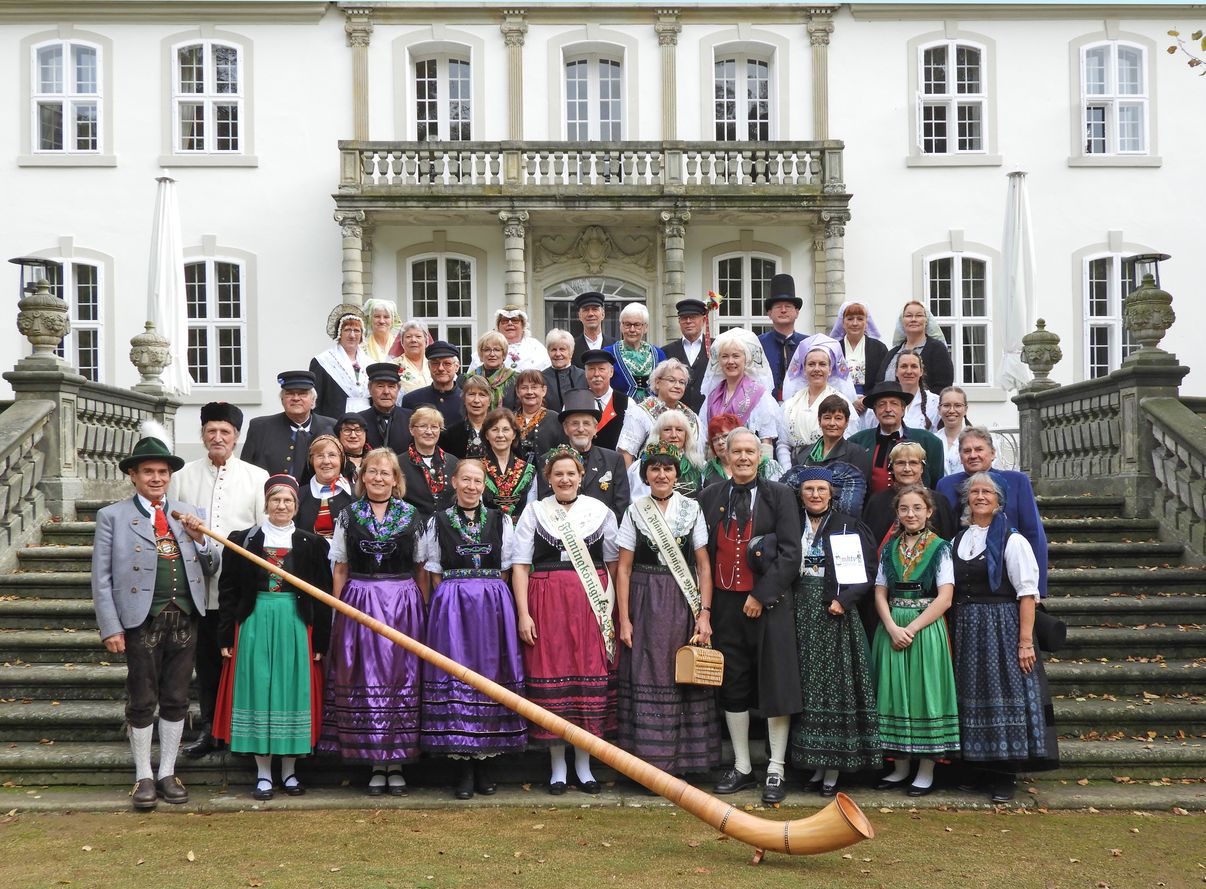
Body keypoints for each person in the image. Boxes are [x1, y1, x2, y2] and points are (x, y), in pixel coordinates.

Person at [91, 428, 219, 810]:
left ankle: (167, 772)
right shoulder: (112, 516)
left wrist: (200, 540)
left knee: (177, 697)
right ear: (133, 475)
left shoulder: (188, 512)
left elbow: (213, 565)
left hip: (185, 618)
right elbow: (101, 578)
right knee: (143, 698)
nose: (157, 478)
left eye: (163, 472)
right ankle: (143, 775)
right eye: (148, 472)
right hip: (140, 620)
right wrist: (110, 627)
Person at [699, 428, 802, 804]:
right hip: (725, 604)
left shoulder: (781, 495)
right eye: (736, 451)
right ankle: (742, 766)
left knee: (775, 681)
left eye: (750, 451)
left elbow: (791, 553)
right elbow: (702, 554)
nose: (743, 457)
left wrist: (761, 594)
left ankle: (776, 768)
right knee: (733, 682)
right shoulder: (710, 495)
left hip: (769, 603)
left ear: (760, 456)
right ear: (725, 455)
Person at [213, 475, 332, 801]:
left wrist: (321, 640)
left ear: (296, 505)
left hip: (295, 623)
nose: (282, 506)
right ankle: (263, 773)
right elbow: (228, 591)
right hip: (255, 621)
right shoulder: (243, 540)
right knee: (258, 691)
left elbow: (323, 594)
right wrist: (226, 633)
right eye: (276, 500)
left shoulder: (312, 543)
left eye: (288, 500)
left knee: (291, 692)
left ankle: (289, 772)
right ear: (266, 504)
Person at [512, 447, 621, 794]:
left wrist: (613, 611)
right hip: (546, 603)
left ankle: (584, 765)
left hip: (590, 603)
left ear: (581, 477)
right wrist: (523, 613)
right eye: (558, 474)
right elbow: (520, 566)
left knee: (587, 674)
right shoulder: (535, 512)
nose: (565, 479)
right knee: (553, 672)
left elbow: (614, 564)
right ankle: (558, 765)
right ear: (548, 479)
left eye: (571, 473)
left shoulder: (600, 512)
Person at [319, 448, 427, 796]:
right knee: (366, 676)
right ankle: (374, 763)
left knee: (400, 678)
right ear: (362, 477)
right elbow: (340, 568)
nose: (378, 478)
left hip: (402, 603)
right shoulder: (348, 515)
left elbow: (421, 568)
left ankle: (396, 762)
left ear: (396, 480)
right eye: (372, 471)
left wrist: (422, 608)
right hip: (360, 602)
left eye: (386, 472)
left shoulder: (411, 515)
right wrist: (339, 610)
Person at [418, 459, 527, 799]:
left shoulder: (500, 519)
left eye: (477, 481)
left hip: (492, 605)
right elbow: (433, 570)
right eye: (465, 479)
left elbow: (507, 567)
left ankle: (486, 763)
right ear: (454, 482)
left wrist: (491, 594)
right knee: (458, 674)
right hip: (453, 606)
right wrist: (447, 603)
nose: (471, 486)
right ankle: (463, 766)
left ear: (484, 485)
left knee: (489, 674)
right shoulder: (437, 521)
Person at [950, 472, 1059, 803]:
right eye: (974, 492)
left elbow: (1027, 594)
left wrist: (1025, 642)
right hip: (968, 628)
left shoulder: (1013, 540)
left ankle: (1005, 773)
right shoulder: (959, 539)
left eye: (987, 492)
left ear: (999, 500)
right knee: (972, 694)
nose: (980, 496)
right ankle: (978, 767)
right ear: (967, 500)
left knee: (1005, 692)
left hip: (1003, 626)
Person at [169, 402, 268, 760]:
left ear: (236, 437)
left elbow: (262, 534)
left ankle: (241, 730)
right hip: (198, 587)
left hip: (241, 589)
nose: (218, 437)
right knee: (207, 663)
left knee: (243, 662)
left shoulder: (257, 477)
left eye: (225, 431)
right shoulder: (183, 477)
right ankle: (210, 729)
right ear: (202, 435)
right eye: (211, 431)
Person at [615, 443, 720, 777]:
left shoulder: (692, 509)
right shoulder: (635, 511)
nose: (661, 475)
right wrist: (624, 619)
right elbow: (624, 569)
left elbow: (703, 566)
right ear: (646, 475)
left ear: (677, 474)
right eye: (655, 469)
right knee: (647, 671)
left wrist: (704, 613)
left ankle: (684, 762)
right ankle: (648, 764)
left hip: (681, 601)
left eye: (668, 469)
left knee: (682, 671)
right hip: (644, 600)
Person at [779, 465, 880, 797]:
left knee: (835, 688)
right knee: (807, 688)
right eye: (809, 489)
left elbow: (865, 571)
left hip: (834, 612)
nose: (815, 495)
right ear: (800, 494)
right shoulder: (791, 523)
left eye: (821, 489)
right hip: (799, 612)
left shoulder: (847, 525)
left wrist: (844, 600)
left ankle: (834, 768)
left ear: (831, 493)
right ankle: (815, 764)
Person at [870, 484, 960, 797]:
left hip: (925, 628)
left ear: (929, 511)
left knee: (924, 692)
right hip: (892, 625)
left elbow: (945, 597)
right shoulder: (890, 548)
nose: (911, 514)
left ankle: (925, 770)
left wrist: (912, 628)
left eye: (917, 508)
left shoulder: (941, 548)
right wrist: (892, 627)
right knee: (894, 693)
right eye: (905, 509)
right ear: (897, 513)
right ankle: (900, 767)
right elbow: (880, 592)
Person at [937, 426, 1049, 598]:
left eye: (979, 449)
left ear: (993, 453)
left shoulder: (1017, 481)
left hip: (1007, 574)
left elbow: (1033, 533)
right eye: (967, 451)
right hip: (963, 580)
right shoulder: (945, 485)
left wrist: (1036, 589)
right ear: (960, 456)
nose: (973, 455)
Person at [698, 328, 789, 465]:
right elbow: (706, 440)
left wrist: (763, 471)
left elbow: (766, 441)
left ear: (746, 359)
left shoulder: (758, 394)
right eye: (725, 356)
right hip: (718, 467)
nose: (730, 361)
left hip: (747, 465)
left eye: (736, 356)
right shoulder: (713, 396)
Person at [537, 388, 631, 521]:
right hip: (562, 529)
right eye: (575, 423)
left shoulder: (614, 460)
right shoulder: (548, 460)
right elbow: (546, 503)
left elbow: (621, 506)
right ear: (565, 428)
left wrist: (597, 529)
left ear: (595, 428)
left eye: (586, 423)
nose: (581, 429)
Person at [847, 381, 944, 494]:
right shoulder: (858, 441)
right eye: (882, 404)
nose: (888, 409)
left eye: (894, 404)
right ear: (875, 411)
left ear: (903, 409)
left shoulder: (929, 441)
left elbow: (936, 486)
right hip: (871, 505)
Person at [862, 441, 957, 549]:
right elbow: (868, 544)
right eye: (900, 463)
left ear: (922, 468)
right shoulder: (877, 502)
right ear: (892, 468)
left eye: (913, 463)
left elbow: (947, 543)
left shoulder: (939, 501)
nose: (907, 469)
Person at [241, 370, 336, 478]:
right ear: (282, 400)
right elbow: (245, 471)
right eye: (289, 393)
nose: (296, 398)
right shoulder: (260, 428)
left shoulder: (331, 426)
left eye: (302, 393)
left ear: (313, 400)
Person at [781, 334, 856, 462]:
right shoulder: (790, 404)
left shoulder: (842, 403)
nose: (816, 369)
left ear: (830, 369)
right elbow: (783, 444)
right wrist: (787, 468)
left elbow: (848, 441)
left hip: (831, 465)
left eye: (822, 364)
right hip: (794, 466)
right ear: (804, 369)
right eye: (811, 364)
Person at [616, 358, 703, 467]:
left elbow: (698, 454)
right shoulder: (640, 413)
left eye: (682, 382)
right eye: (671, 380)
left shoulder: (691, 416)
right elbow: (626, 453)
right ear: (657, 383)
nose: (677, 386)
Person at [625, 409, 704, 500]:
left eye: (679, 430)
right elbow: (637, 501)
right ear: (658, 435)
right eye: (667, 430)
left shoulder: (698, 465)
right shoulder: (642, 465)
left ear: (686, 435)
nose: (674, 435)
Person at [310, 304, 371, 418]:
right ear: (339, 333)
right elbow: (315, 401)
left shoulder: (369, 363)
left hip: (367, 420)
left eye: (357, 330)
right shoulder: (323, 361)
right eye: (347, 330)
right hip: (335, 421)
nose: (352, 335)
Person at [830, 300, 889, 418]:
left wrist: (866, 399)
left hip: (871, 405)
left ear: (866, 322)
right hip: (839, 405)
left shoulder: (879, 348)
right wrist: (848, 400)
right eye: (850, 319)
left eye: (860, 319)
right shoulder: (834, 348)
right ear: (843, 322)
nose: (855, 323)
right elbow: (830, 380)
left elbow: (882, 379)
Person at [800, 395, 872, 492]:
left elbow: (858, 491)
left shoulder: (857, 454)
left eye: (838, 418)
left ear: (846, 422)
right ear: (819, 421)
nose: (832, 423)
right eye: (827, 418)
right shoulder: (804, 453)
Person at [882, 300, 955, 394]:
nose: (913, 319)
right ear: (902, 321)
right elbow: (879, 383)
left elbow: (943, 386)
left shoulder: (937, 349)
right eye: (909, 316)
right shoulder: (892, 353)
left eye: (919, 315)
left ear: (926, 320)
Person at [400, 406, 459, 520]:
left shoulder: (453, 462)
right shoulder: (398, 464)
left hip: (448, 526)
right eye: (423, 426)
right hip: (413, 526)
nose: (429, 432)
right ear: (411, 430)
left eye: (434, 427)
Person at [481, 408, 539, 523]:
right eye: (494, 430)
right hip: (487, 530)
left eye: (506, 429)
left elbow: (531, 510)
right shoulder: (478, 469)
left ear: (514, 434)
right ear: (486, 435)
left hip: (520, 531)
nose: (500, 435)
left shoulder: (528, 470)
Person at [700, 412, 784, 487]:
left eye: (725, 436)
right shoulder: (707, 470)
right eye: (715, 439)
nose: (720, 442)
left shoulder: (767, 466)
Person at [758, 273, 807, 401]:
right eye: (778, 307)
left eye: (788, 306)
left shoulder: (808, 344)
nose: (783, 310)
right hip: (766, 405)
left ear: (797, 312)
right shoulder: (758, 344)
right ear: (769, 313)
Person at [296, 434, 354, 538]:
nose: (326, 461)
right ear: (311, 461)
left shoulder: (357, 494)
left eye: (332, 455)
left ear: (341, 460)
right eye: (320, 456)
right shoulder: (298, 496)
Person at [605, 303, 666, 401]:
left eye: (637, 325)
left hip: (654, 409)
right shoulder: (608, 353)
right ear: (621, 326)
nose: (632, 330)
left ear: (645, 328)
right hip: (619, 408)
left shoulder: (658, 354)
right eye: (627, 324)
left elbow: (665, 385)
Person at [660, 297, 709, 412]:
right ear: (679, 321)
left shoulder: (715, 348)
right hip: (675, 415)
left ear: (703, 320)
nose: (688, 321)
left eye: (693, 317)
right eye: (684, 318)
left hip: (708, 414)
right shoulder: (666, 351)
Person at [402, 340, 465, 427]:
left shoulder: (466, 400)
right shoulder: (411, 400)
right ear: (429, 366)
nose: (440, 368)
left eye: (447, 363)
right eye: (435, 363)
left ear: (456, 367)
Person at [470, 305, 550, 372]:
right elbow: (471, 379)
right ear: (498, 326)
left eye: (515, 320)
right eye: (504, 321)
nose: (510, 323)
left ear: (523, 325)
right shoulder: (487, 347)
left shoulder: (536, 347)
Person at [512, 369, 569, 461]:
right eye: (524, 388)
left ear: (544, 390)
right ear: (518, 392)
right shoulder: (510, 419)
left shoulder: (555, 419)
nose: (529, 392)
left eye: (534, 387)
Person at [357, 363, 413, 453]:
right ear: (369, 388)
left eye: (391, 386)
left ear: (398, 389)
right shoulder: (358, 420)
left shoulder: (411, 418)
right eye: (380, 386)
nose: (386, 392)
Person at [582, 349, 628, 451]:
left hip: (615, 460)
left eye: (601, 369)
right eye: (591, 369)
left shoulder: (627, 403)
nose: (596, 374)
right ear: (585, 373)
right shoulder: (576, 401)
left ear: (611, 372)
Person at [440, 375, 492, 460]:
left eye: (482, 395)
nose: (476, 400)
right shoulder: (450, 434)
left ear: (489, 400)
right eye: (471, 394)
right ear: (464, 399)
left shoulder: (498, 430)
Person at [887, 350, 940, 433]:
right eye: (904, 366)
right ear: (896, 372)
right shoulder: (884, 402)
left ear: (921, 371)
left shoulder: (935, 403)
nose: (909, 371)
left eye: (914, 366)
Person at [467, 330, 518, 411]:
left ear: (504, 353)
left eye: (497, 350)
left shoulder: (516, 379)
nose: (492, 354)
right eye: (487, 350)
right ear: (481, 353)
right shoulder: (468, 379)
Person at [542, 328, 586, 412]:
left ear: (571, 352)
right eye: (553, 350)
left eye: (562, 349)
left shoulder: (583, 376)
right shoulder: (541, 378)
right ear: (548, 352)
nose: (558, 354)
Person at [571, 291, 616, 367]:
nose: (590, 314)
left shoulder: (615, 346)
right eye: (586, 310)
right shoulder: (571, 347)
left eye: (595, 309)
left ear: (603, 314)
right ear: (579, 316)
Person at [936, 386, 972, 476]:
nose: (951, 410)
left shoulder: (978, 440)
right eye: (946, 405)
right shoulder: (932, 440)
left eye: (958, 405)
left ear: (965, 410)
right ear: (939, 409)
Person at [396, 319, 433, 394]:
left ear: (426, 341)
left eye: (418, 336)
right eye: (408, 337)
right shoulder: (394, 365)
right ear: (402, 342)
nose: (413, 340)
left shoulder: (436, 364)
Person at [362, 298, 403, 363]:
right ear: (370, 319)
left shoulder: (400, 345)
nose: (382, 321)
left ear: (392, 320)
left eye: (386, 317)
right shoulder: (362, 347)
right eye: (377, 316)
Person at [334, 413, 369, 484]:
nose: (353, 435)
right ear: (339, 434)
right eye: (347, 430)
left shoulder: (375, 459)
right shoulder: (333, 461)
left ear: (365, 433)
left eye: (358, 430)